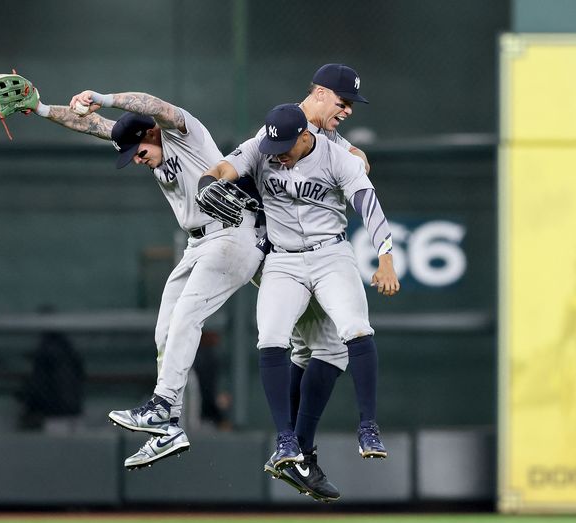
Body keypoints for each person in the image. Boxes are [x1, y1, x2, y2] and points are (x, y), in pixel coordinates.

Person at [22, 86, 264, 468]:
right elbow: (96, 127)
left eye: (138, 152)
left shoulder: (185, 135)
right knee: (164, 331)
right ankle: (168, 427)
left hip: (232, 233)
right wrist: (39, 108)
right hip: (200, 243)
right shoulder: (143, 142)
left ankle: (163, 405)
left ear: (151, 134)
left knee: (187, 316)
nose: (136, 160)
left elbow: (156, 106)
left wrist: (105, 97)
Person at [200, 102, 400, 500]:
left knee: (355, 329)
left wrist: (386, 258)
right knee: (271, 338)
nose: (279, 154)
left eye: (287, 146)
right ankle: (288, 442)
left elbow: (368, 204)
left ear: (307, 136)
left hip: (331, 254)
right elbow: (227, 166)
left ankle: (368, 427)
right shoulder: (264, 144)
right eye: (274, 146)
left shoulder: (337, 157)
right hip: (283, 260)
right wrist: (210, 179)